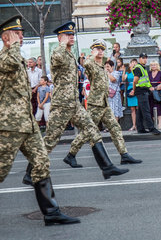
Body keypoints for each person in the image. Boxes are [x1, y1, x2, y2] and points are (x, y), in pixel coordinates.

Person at [0, 15, 80, 232]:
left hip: (27, 122)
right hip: (11, 124)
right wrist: (12, 45)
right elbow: (12, 61)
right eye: (17, 34)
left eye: (21, 34)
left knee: (42, 161)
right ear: (6, 38)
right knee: (0, 169)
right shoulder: (3, 57)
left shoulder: (16, 56)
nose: (22, 37)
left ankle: (51, 213)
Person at [24, 21, 128, 183]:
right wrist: (62, 44)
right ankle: (29, 173)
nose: (72, 37)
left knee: (92, 130)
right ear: (60, 38)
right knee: (50, 141)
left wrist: (65, 44)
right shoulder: (58, 52)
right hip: (62, 104)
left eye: (72, 35)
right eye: (68, 35)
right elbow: (56, 57)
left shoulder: (70, 53)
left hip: (73, 102)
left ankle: (107, 167)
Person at [65, 40, 141, 168]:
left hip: (104, 104)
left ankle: (124, 154)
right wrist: (92, 55)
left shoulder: (102, 66)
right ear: (93, 50)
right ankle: (71, 155)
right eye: (97, 49)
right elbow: (86, 64)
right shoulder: (91, 64)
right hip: (95, 104)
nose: (100, 51)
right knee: (87, 131)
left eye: (102, 49)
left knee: (115, 128)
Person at [131, 53, 161, 135]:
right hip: (141, 91)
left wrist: (149, 87)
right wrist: (134, 90)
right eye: (143, 58)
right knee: (146, 110)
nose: (145, 59)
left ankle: (140, 128)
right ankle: (151, 128)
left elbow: (145, 81)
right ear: (139, 58)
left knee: (140, 111)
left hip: (144, 90)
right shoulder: (138, 68)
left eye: (146, 58)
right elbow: (135, 81)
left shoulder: (143, 68)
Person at [148, 61, 161, 130]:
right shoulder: (148, 73)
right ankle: (155, 123)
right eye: (152, 65)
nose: (153, 66)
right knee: (151, 107)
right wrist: (150, 88)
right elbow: (146, 82)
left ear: (157, 66)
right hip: (150, 94)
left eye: (155, 65)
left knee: (159, 108)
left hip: (158, 94)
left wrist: (155, 88)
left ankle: (160, 123)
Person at [123, 60, 138, 131]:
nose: (133, 64)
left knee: (138, 108)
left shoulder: (137, 71)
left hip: (137, 89)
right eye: (132, 62)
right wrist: (124, 70)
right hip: (130, 90)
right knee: (132, 109)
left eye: (135, 62)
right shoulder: (128, 72)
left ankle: (139, 124)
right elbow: (123, 79)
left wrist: (135, 90)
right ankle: (134, 125)